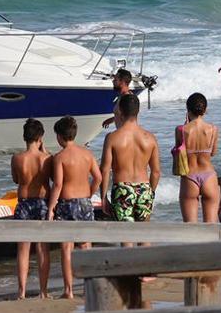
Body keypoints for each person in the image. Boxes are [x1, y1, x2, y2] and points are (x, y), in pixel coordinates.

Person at [45, 114, 101, 300]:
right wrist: (90, 193)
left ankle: (68, 290)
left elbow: (58, 185)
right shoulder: (87, 154)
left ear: (60, 137)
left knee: (66, 248)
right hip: (85, 202)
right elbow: (98, 178)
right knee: (86, 246)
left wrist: (51, 207)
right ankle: (88, 288)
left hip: (67, 204)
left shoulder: (60, 157)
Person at [100, 92, 158, 224]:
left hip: (122, 188)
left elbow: (104, 170)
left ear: (120, 111)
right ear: (138, 111)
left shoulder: (112, 138)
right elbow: (156, 172)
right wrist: (150, 193)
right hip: (144, 187)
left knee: (126, 237)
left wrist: (103, 197)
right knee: (144, 236)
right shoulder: (150, 138)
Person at [10, 118, 52, 299]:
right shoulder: (47, 159)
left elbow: (16, 180)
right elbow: (53, 177)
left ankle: (22, 292)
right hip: (42, 202)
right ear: (40, 137)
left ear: (24, 137)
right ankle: (43, 291)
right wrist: (45, 150)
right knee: (43, 248)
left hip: (24, 202)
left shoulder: (17, 158)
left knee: (23, 249)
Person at [173, 94, 221, 224]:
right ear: (205, 110)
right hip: (209, 175)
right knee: (211, 225)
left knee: (190, 226)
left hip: (190, 175)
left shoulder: (181, 130)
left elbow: (178, 153)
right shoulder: (213, 129)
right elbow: (213, 153)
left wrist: (185, 125)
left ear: (188, 110)